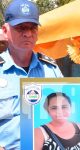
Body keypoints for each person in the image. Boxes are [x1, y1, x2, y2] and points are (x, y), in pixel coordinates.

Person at [0, 0, 63, 149]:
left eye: (33, 27)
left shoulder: (51, 69)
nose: (27, 33)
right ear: (5, 30)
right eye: (20, 28)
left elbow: (68, 109)